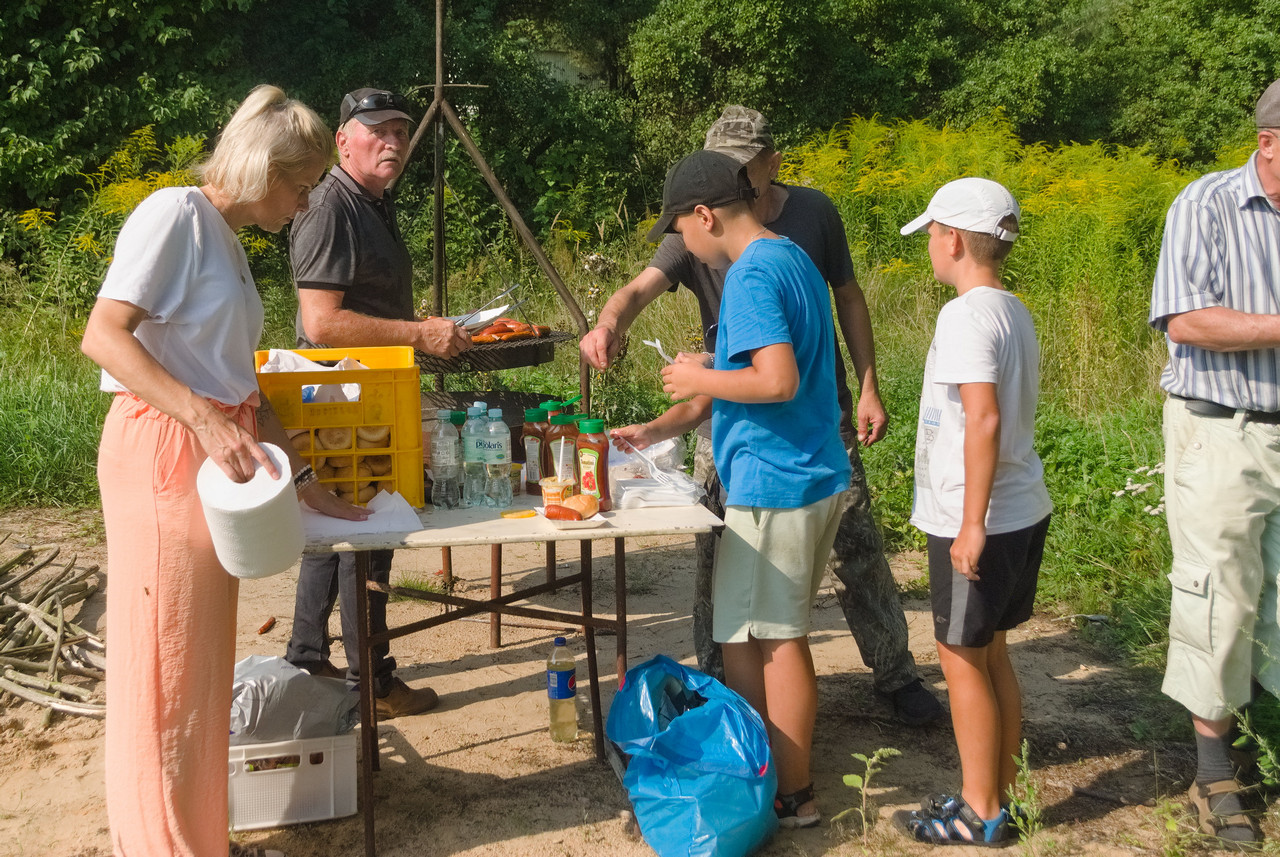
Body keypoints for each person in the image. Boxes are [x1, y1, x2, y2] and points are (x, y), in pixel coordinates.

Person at [583, 106, 942, 726]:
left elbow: (835, 312)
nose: (732, 175)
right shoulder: (711, 226)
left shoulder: (798, 226)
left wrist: (868, 386)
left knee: (846, 558)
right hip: (738, 420)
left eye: (741, 165)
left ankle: (892, 674)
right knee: (723, 562)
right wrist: (610, 323)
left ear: (770, 164)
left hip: (800, 426)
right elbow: (638, 289)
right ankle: (722, 686)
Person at [81, 85, 368, 857]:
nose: (305, 205)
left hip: (213, 456)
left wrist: (307, 482)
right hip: (165, 450)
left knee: (200, 667)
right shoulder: (174, 215)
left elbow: (240, 384)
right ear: (263, 169)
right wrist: (202, 419)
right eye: (300, 186)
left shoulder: (226, 241)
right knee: (162, 666)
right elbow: (104, 335)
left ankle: (202, 837)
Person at [614, 148, 852, 828]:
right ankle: (767, 772)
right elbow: (770, 366)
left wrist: (698, 377)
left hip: (775, 481)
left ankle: (790, 791)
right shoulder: (790, 256)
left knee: (773, 639)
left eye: (679, 230)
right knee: (751, 635)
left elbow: (777, 380)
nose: (682, 246)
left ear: (705, 215)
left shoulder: (748, 275)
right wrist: (694, 386)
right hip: (810, 471)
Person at [284, 88, 471, 719]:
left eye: (399, 130)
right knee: (368, 530)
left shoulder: (371, 202)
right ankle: (374, 682)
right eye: (377, 130)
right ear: (343, 140)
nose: (392, 141)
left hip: (362, 393)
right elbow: (321, 322)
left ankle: (308, 658)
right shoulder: (330, 207)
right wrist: (417, 334)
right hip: (339, 398)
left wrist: (413, 328)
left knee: (337, 525)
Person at [892, 178, 1052, 846]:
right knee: (992, 655)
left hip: (981, 514)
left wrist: (970, 523)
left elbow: (983, 417)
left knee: (960, 660)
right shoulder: (1012, 308)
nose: (929, 244)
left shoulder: (963, 317)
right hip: (1022, 506)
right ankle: (1001, 795)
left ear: (954, 240)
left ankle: (979, 812)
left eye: (932, 233)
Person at [1147, 78, 1280, 850]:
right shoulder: (1207, 204)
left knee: (1272, 597)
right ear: (1267, 143)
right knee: (1220, 595)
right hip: (1221, 429)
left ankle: (1253, 739)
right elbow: (1185, 317)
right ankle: (1213, 770)